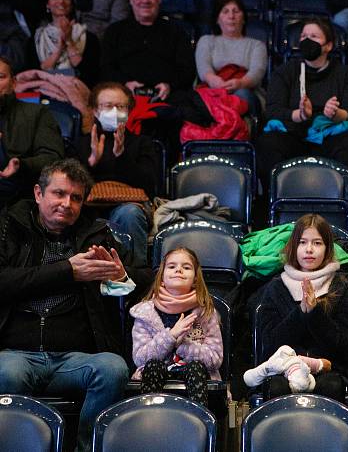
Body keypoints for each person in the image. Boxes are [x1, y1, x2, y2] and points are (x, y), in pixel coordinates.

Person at [0, 159, 149, 452]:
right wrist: (68, 270)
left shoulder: (96, 235)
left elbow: (145, 276)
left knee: (113, 368)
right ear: (38, 193)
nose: (66, 203)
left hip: (75, 359)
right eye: (59, 193)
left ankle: (86, 447)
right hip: (17, 354)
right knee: (6, 373)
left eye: (76, 198)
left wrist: (121, 275)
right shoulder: (11, 225)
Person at [243, 214, 348, 403]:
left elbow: (344, 346)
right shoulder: (276, 287)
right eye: (303, 242)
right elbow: (268, 345)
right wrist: (301, 312)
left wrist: (314, 313)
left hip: (327, 368)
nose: (309, 249)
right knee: (277, 387)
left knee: (331, 386)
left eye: (317, 243)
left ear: (327, 248)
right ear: (294, 247)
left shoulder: (340, 286)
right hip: (283, 369)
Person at [256, 17, 348, 199]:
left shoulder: (345, 74)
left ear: (328, 46)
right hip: (293, 134)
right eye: (304, 36)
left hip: (330, 136)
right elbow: (272, 110)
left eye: (314, 36)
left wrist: (336, 114)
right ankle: (275, 203)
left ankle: (344, 204)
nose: (307, 40)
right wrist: (299, 114)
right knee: (268, 143)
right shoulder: (285, 72)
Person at [75, 81, 156, 267]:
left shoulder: (142, 143)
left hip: (127, 204)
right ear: (95, 110)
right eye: (108, 106)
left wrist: (122, 156)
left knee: (129, 214)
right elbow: (70, 183)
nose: (114, 111)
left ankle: (134, 277)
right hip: (89, 206)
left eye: (120, 106)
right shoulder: (82, 142)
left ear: (128, 111)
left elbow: (149, 185)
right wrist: (91, 162)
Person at [130, 247, 223, 405]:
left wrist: (183, 345)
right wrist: (170, 337)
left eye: (186, 267)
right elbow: (140, 358)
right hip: (157, 371)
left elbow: (215, 359)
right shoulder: (144, 312)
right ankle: (150, 421)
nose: (178, 270)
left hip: (196, 373)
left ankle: (199, 421)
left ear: (195, 278)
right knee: (153, 366)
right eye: (172, 266)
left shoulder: (206, 312)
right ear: (162, 277)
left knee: (195, 367)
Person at [101, 0, 195, 102]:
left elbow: (187, 71)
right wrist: (124, 84)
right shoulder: (114, 32)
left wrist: (170, 85)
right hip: (122, 100)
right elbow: (106, 69)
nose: (145, 0)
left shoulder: (177, 32)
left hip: (167, 101)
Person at [0, 56, 64, 206]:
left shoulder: (36, 113)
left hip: (20, 196)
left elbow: (53, 157)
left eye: (1, 77)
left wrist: (21, 164)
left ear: (13, 82)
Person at [194, 0, 267, 115]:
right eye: (225, 12)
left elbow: (256, 73)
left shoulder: (257, 45)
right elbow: (204, 68)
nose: (231, 16)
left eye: (236, 11)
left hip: (247, 92)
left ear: (243, 18)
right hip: (214, 90)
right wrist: (214, 81)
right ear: (217, 19)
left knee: (240, 95)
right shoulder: (206, 41)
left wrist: (241, 83)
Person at [33, 0, 100, 86]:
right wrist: (59, 49)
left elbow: (90, 74)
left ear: (71, 4)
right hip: (45, 92)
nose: (61, 1)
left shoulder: (90, 38)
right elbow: (35, 74)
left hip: (80, 91)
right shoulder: (37, 39)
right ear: (47, 4)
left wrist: (69, 41)